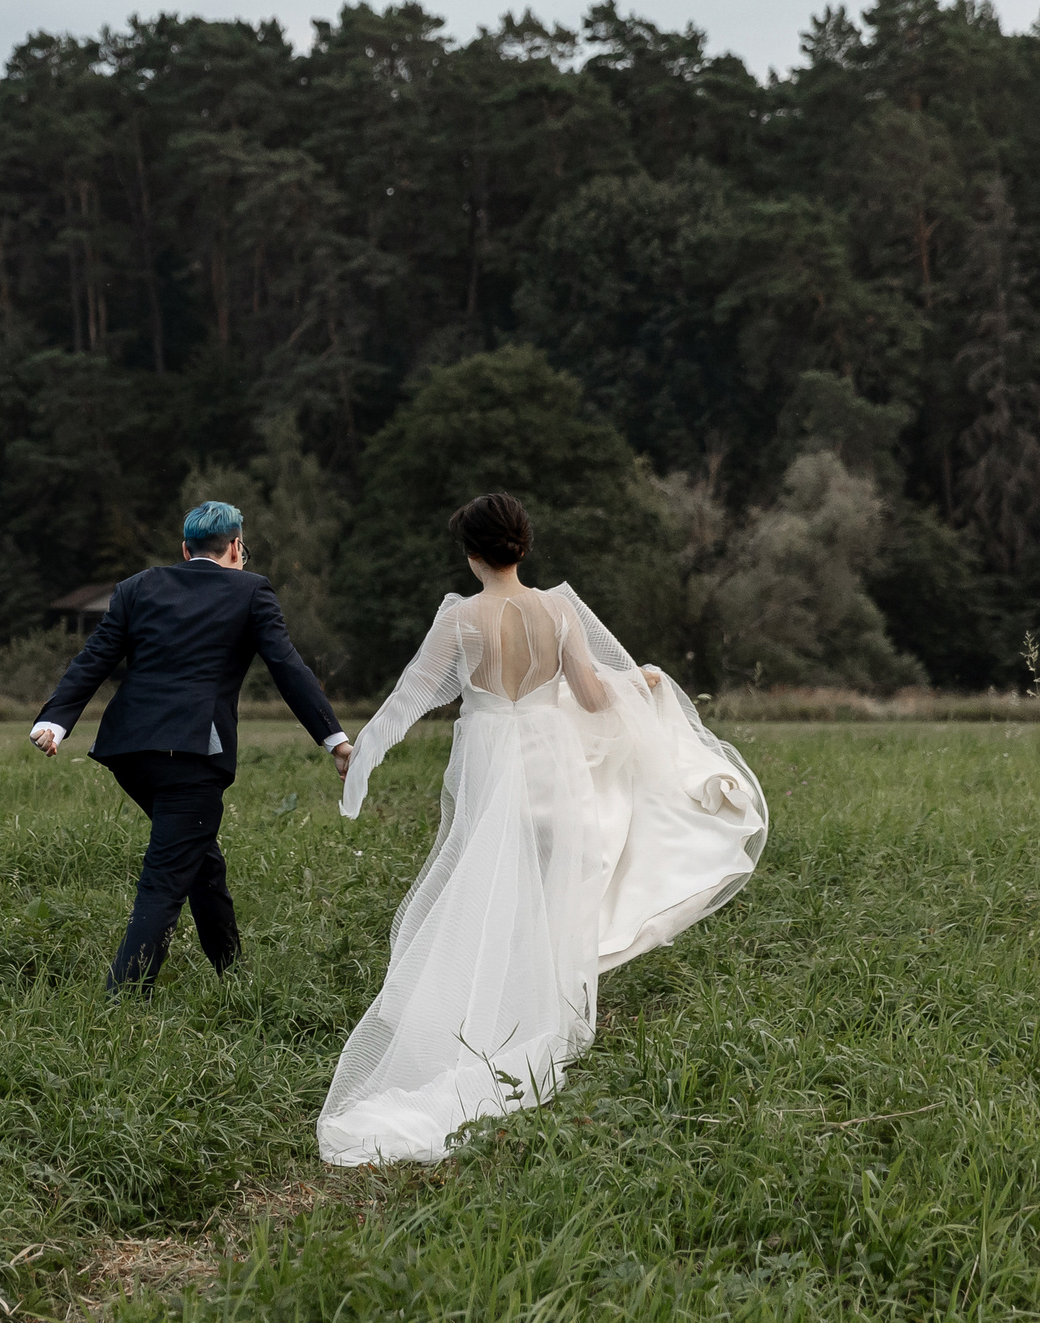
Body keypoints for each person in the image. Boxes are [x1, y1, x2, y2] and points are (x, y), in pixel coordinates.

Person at [317, 492, 769, 1165]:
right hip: (554, 765)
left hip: (496, 765)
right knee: (553, 886)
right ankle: (543, 1005)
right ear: (523, 547)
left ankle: (491, 1011)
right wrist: (638, 683)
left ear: (472, 553)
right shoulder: (558, 609)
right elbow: (590, 694)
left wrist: (361, 758)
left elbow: (410, 695)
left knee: (492, 885)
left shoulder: (462, 618)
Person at [30, 500, 354, 994]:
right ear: (236, 548)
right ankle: (122, 1000)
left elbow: (95, 657)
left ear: (185, 549)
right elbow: (287, 667)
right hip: (191, 758)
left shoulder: (137, 587)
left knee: (199, 858)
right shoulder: (251, 590)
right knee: (165, 880)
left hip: (129, 751)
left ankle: (233, 972)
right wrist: (335, 740)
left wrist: (55, 722)